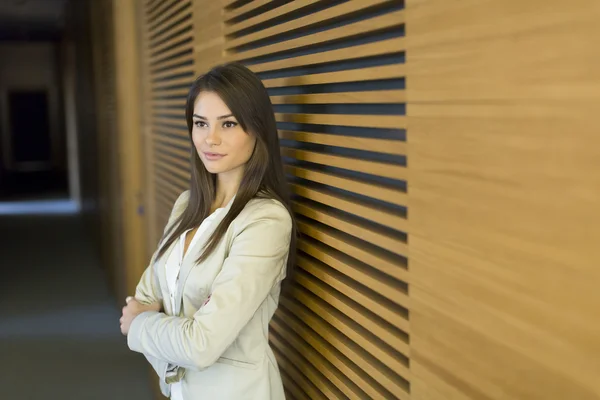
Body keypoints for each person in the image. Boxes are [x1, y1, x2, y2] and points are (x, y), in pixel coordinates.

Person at [119, 62, 296, 400]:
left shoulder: (265, 221)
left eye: (228, 124)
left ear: (256, 129)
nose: (210, 139)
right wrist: (170, 334)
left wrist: (140, 326)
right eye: (200, 123)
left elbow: (202, 344)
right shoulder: (187, 205)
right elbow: (144, 296)